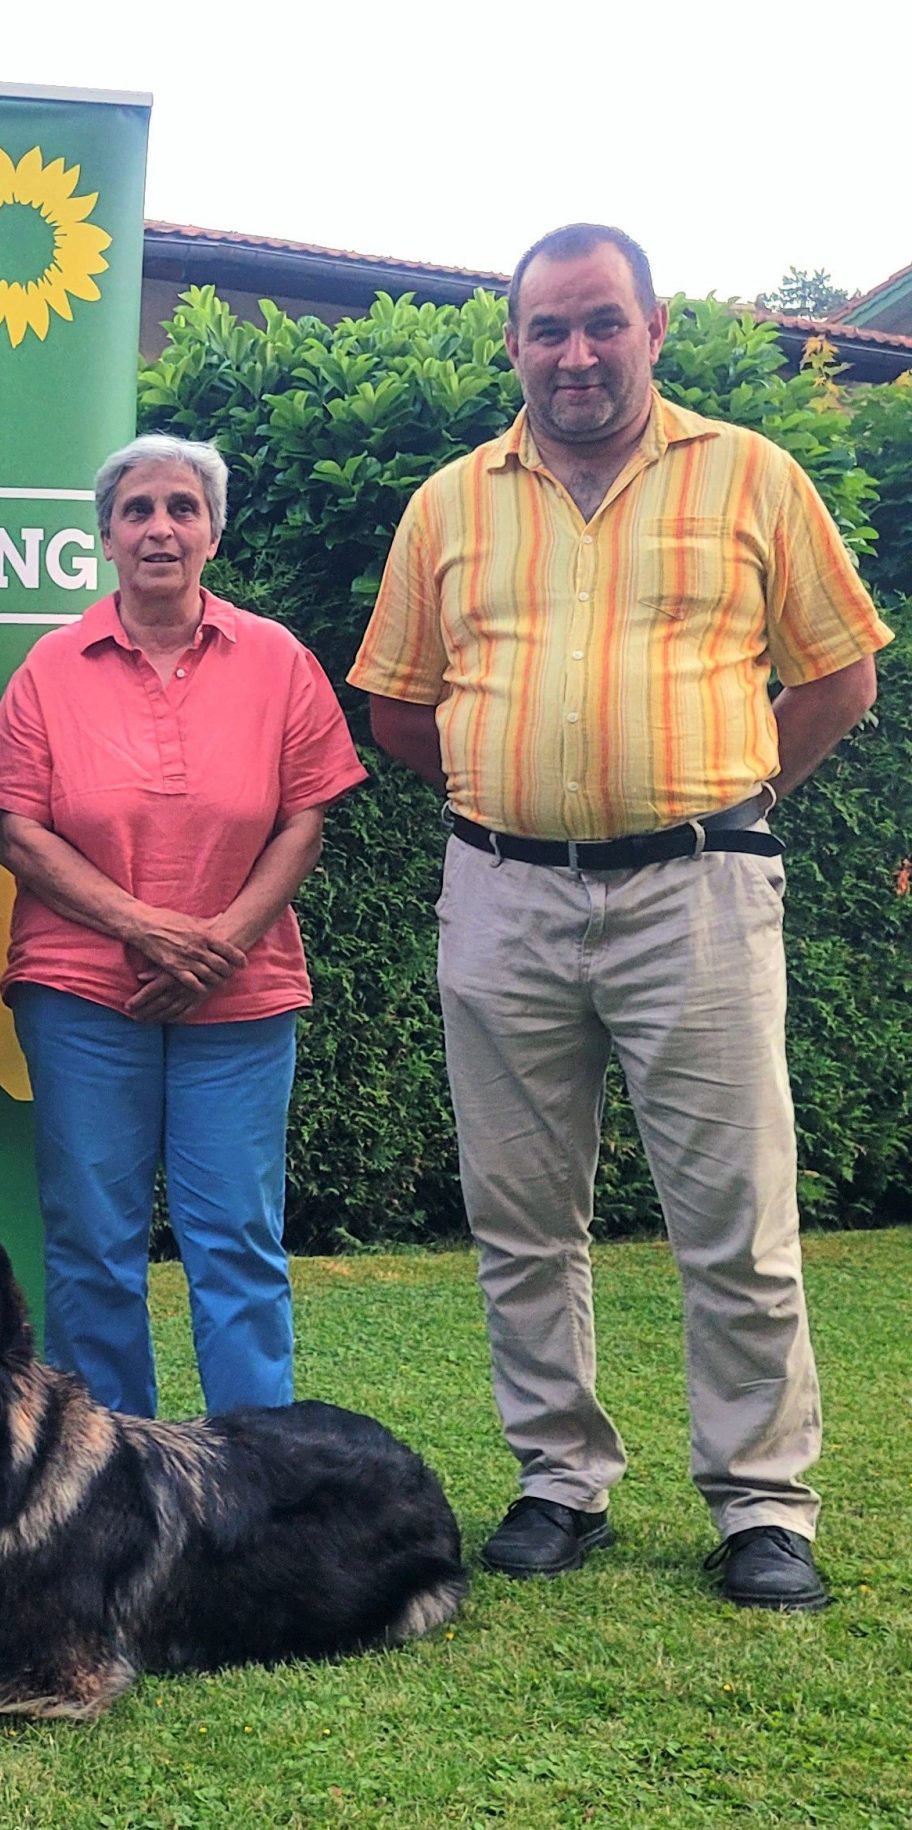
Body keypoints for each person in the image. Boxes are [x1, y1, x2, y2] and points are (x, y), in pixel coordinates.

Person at [351, 223, 890, 1611]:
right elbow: (397, 706)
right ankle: (559, 1480)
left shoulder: (752, 476)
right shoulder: (449, 502)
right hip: (505, 890)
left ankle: (762, 1503)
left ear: (653, 328)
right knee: (521, 1215)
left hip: (698, 889)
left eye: (602, 324)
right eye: (548, 329)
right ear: (514, 344)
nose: (576, 354)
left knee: (738, 1213)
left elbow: (838, 677)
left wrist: (717, 786)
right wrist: (514, 799)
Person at [0, 436, 364, 1421]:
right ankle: (105, 1478)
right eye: (137, 510)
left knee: (235, 1238)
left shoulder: (276, 660)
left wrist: (217, 941)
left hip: (241, 997)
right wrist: (147, 928)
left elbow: (305, 817)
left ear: (213, 534)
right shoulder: (53, 667)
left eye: (182, 508)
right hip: (83, 995)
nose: (159, 528)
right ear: (105, 534)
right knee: (92, 1244)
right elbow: (15, 824)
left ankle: (255, 1479)